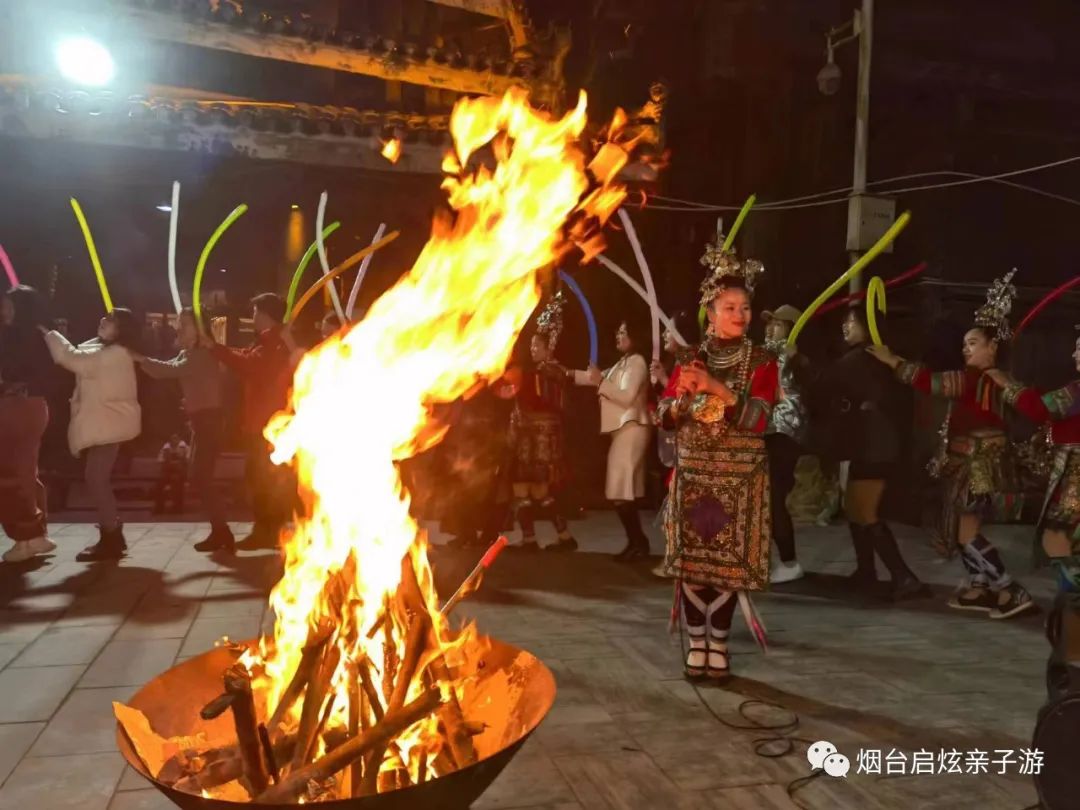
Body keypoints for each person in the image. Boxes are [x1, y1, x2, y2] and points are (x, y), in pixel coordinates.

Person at [868, 270, 1034, 619]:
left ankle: (1009, 588)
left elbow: (932, 382)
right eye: (964, 344)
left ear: (993, 347)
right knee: (961, 529)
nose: (965, 349)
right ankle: (979, 588)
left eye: (973, 343)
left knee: (966, 532)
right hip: (966, 463)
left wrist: (892, 361)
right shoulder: (990, 381)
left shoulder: (981, 380)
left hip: (977, 466)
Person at [657, 239, 779, 680]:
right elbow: (664, 416)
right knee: (693, 562)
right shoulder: (688, 358)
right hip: (695, 473)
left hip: (740, 477)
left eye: (744, 308)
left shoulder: (763, 361)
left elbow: (761, 421)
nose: (739, 316)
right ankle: (697, 641)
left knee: (729, 565)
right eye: (729, 307)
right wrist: (680, 401)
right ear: (710, 312)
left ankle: (720, 644)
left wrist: (716, 387)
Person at [815, 306, 926, 600]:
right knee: (855, 507)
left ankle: (904, 576)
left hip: (874, 446)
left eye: (852, 322)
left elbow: (824, 382)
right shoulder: (875, 357)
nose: (846, 326)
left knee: (865, 510)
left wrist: (797, 361)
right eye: (845, 321)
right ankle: (866, 571)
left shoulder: (865, 358)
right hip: (869, 444)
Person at [42, 308, 141, 561]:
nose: (103, 321)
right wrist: (60, 336)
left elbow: (74, 359)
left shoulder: (114, 354)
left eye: (110, 320)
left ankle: (112, 537)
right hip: (106, 423)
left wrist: (49, 333)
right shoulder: (108, 350)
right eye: (105, 317)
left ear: (121, 330)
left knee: (96, 479)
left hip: (108, 424)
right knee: (96, 478)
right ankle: (112, 535)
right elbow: (79, 352)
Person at [987, 330, 1080, 591]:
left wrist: (1007, 384)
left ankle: (1072, 605)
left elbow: (1040, 409)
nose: (1074, 353)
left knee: (1058, 535)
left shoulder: (1077, 391)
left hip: (1076, 474)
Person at [135, 308, 232, 550]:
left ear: (199, 330)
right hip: (202, 422)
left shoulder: (199, 354)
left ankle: (222, 532)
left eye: (185, 324)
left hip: (209, 421)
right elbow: (169, 366)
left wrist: (138, 359)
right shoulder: (188, 353)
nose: (179, 328)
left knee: (201, 476)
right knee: (199, 476)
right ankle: (220, 531)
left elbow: (165, 370)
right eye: (179, 322)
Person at [207, 293, 293, 550]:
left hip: (268, 425)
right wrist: (217, 349)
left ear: (265, 315)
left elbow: (250, 364)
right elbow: (246, 355)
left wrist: (215, 349)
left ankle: (266, 532)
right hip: (264, 423)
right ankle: (266, 530)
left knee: (261, 481)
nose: (252, 317)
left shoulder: (276, 343)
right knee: (260, 480)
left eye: (255, 312)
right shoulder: (269, 340)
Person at [568, 320, 652, 560]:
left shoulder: (637, 362)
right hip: (624, 429)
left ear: (635, 336)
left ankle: (638, 543)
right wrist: (564, 372)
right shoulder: (622, 363)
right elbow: (592, 377)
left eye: (624, 331)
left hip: (632, 427)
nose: (618, 334)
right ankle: (637, 542)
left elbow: (625, 397)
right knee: (621, 490)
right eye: (618, 330)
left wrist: (601, 382)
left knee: (620, 488)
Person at [509, 293, 577, 551]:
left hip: (539, 443)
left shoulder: (551, 372)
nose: (533, 349)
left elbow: (551, 403)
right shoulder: (542, 372)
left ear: (550, 348)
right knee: (535, 492)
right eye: (533, 346)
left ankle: (540, 539)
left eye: (538, 346)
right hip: (532, 440)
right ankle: (560, 537)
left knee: (528, 489)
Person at [0, 285, 57, 562]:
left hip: (15, 409)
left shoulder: (11, 338)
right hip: (35, 409)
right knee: (26, 471)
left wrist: (11, 387)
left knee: (9, 474)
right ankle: (37, 535)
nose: (4, 310)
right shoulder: (40, 335)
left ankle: (25, 537)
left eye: (9, 305)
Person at [761, 304, 809, 584]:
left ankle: (790, 562)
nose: (771, 329)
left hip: (784, 433)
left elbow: (812, 385)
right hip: (765, 431)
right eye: (770, 323)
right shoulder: (765, 355)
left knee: (774, 496)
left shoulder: (794, 359)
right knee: (765, 498)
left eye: (779, 325)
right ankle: (767, 559)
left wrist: (797, 360)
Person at [154, 433, 189, 514]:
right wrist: (166, 461)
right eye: (172, 438)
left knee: (176, 483)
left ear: (179, 438)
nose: (174, 440)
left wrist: (181, 460)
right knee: (159, 484)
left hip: (180, 473)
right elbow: (159, 459)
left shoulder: (185, 447)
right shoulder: (166, 448)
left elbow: (188, 460)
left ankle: (177, 508)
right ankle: (159, 508)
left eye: (176, 438)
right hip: (168, 472)